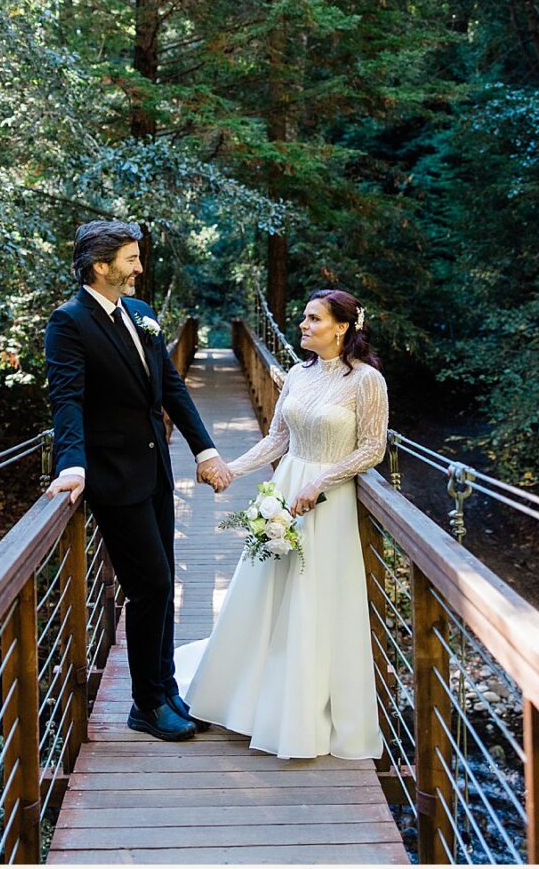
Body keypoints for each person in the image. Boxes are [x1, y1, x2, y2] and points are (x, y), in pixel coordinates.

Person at [173, 289, 388, 759]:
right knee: (265, 593)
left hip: (327, 502)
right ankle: (247, 697)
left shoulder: (367, 381)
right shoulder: (296, 373)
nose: (304, 326)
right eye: (304, 318)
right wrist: (230, 469)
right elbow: (277, 440)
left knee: (312, 601)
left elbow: (373, 448)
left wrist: (324, 481)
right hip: (287, 491)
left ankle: (302, 713)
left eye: (314, 319)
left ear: (342, 327)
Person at [43, 220, 234, 742]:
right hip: (111, 477)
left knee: (162, 580)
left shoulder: (142, 314)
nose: (139, 268)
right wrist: (73, 465)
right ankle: (145, 704)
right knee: (148, 584)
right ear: (101, 267)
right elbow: (68, 399)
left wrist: (206, 450)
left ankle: (166, 689)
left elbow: (170, 386)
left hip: (155, 472)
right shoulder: (69, 322)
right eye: (130, 259)